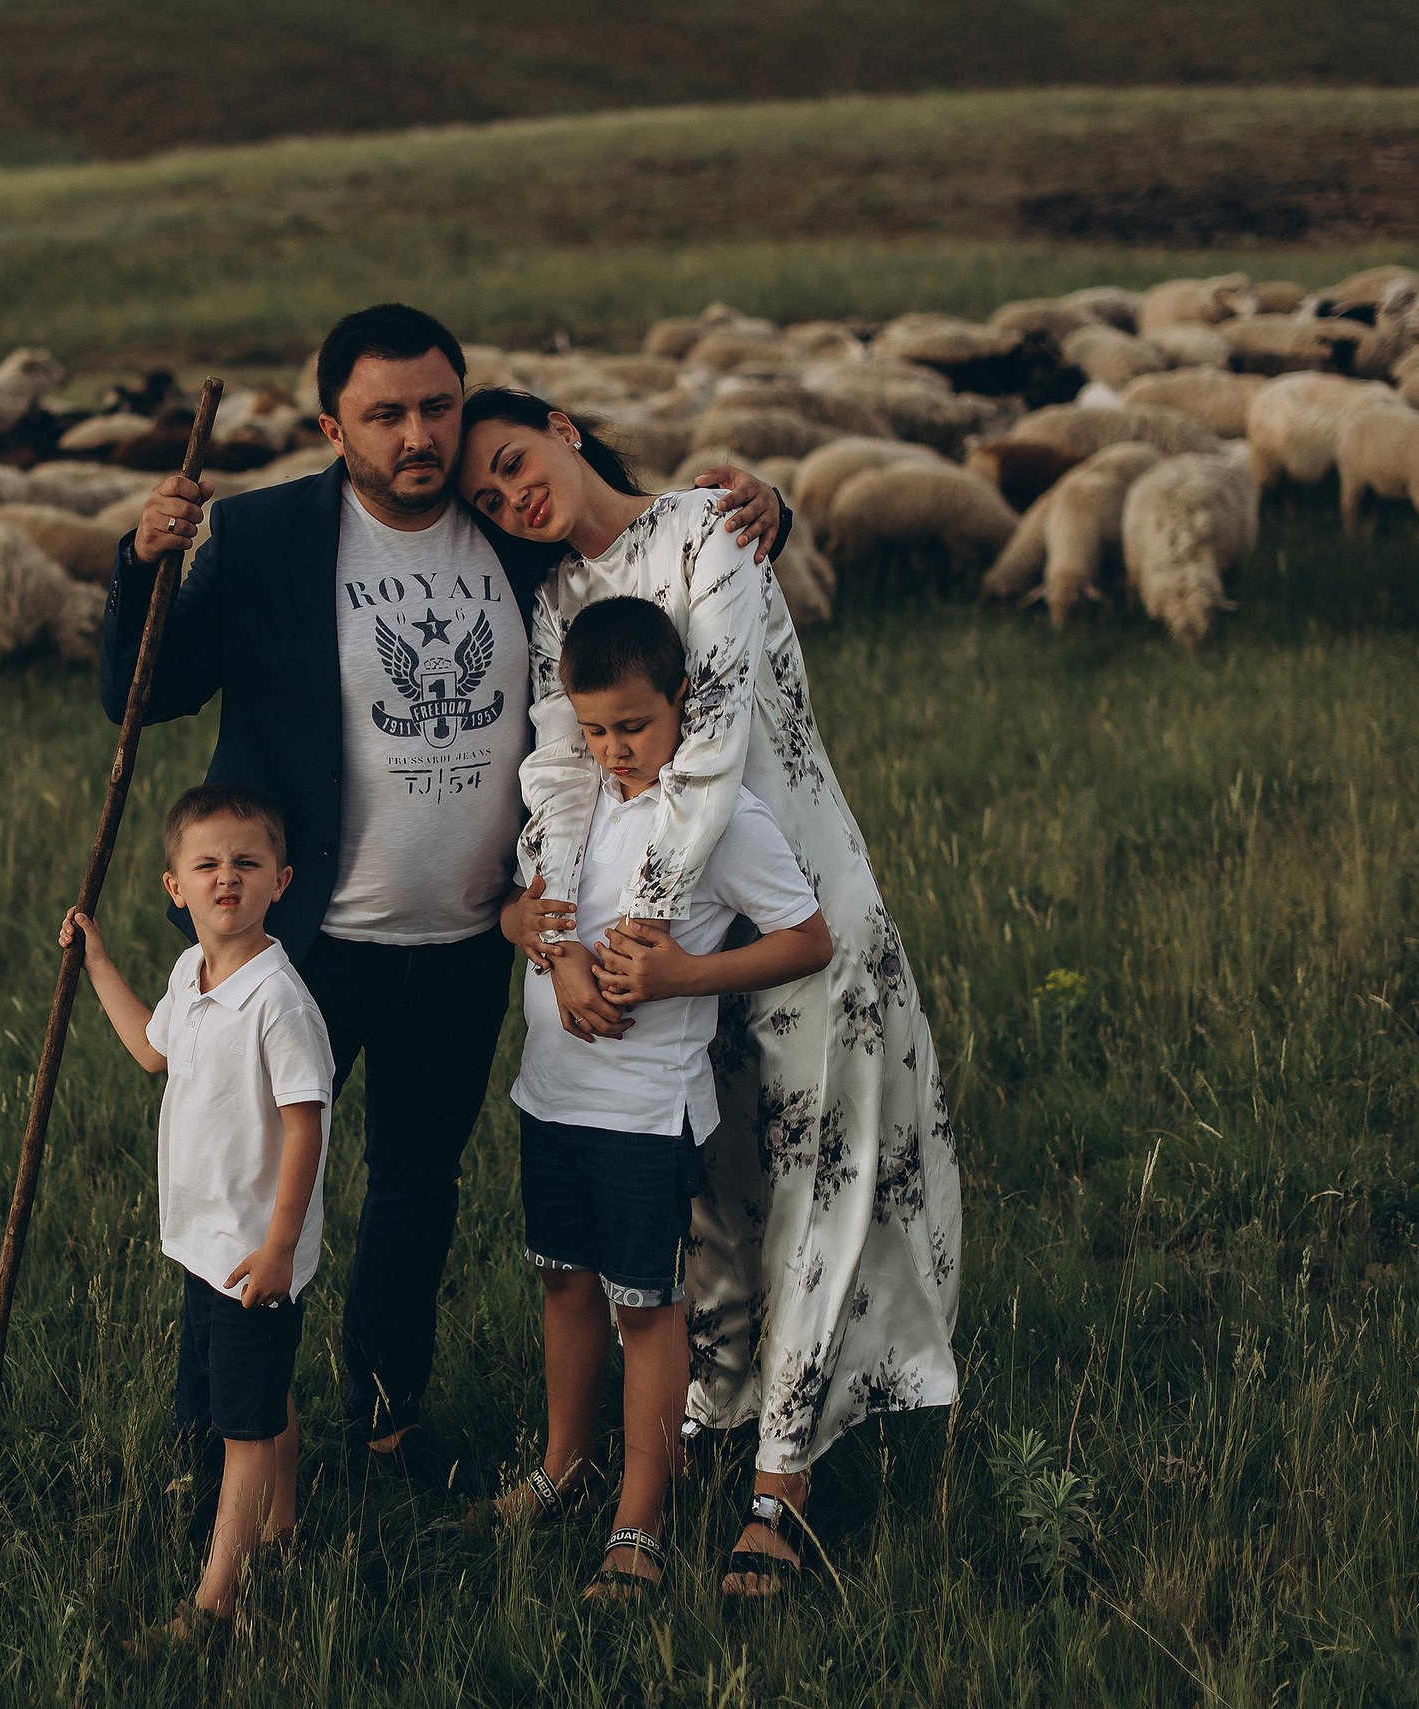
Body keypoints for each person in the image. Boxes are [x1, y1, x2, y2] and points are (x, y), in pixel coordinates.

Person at [99, 304, 789, 1481]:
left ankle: (385, 1415)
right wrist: (140, 561)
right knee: (245, 1187)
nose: (418, 434)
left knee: (415, 1185)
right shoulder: (266, 535)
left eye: (437, 406)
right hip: (300, 937)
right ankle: (217, 1435)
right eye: (385, 415)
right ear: (334, 427)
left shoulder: (511, 529)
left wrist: (769, 510)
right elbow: (141, 691)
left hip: (465, 934)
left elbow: (646, 553)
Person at [457, 387, 962, 1601]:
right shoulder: (555, 599)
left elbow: (713, 738)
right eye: (487, 496)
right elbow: (560, 770)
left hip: (790, 910)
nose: (512, 496)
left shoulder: (709, 530)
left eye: (514, 460)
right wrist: (562, 936)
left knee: (817, 1181)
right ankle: (697, 1420)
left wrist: (644, 927)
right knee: (710, 1187)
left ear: (564, 427)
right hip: (654, 958)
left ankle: (781, 1482)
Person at [489, 595, 834, 1600]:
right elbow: (522, 909)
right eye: (595, 729)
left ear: (682, 700)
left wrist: (685, 974)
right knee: (564, 1282)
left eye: (634, 726)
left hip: (643, 1111)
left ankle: (640, 1515)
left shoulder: (712, 817)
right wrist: (526, 930)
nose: (615, 750)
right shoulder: (572, 797)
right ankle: (564, 1464)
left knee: (645, 1306)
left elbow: (808, 938)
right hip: (551, 1093)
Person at [63, 782, 334, 1640]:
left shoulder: (279, 1001)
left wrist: (280, 1245)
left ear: (280, 881)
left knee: (241, 1424)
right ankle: (282, 1525)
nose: (227, 877)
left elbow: (305, 1126)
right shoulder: (192, 973)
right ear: (174, 886)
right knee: (261, 1388)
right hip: (206, 1241)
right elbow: (153, 1051)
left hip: (253, 1247)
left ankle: (218, 1598)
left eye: (247, 863)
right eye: (207, 863)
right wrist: (97, 963)